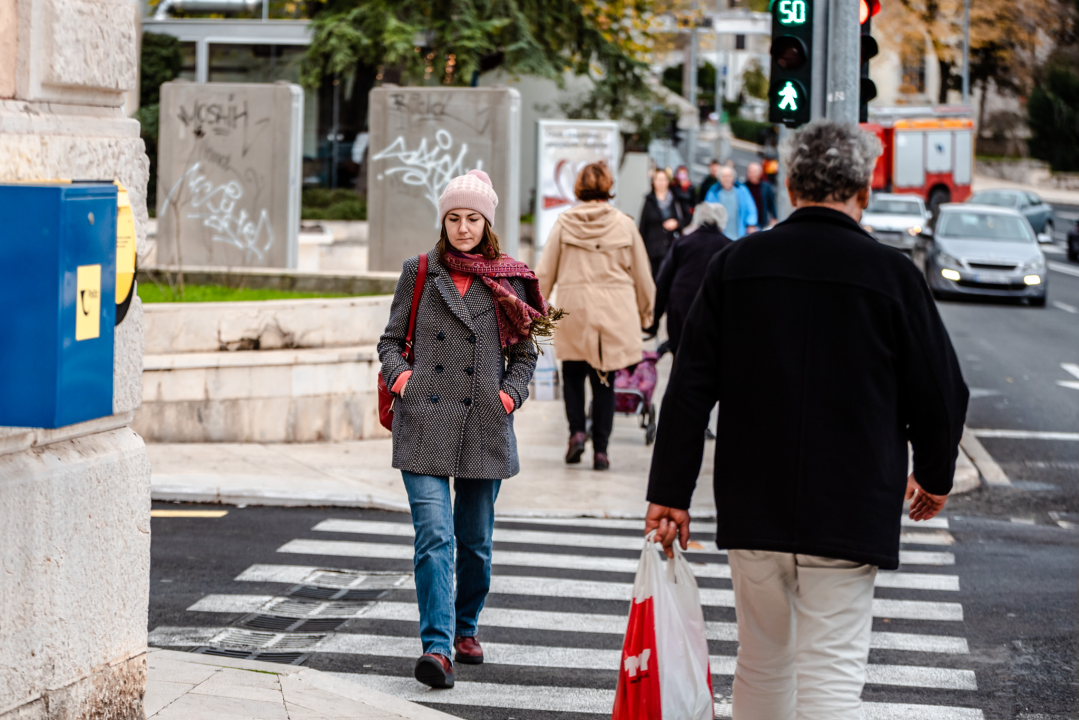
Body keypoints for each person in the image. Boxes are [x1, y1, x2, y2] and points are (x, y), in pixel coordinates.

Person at [644, 121, 969, 719]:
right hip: (850, 501)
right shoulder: (893, 277)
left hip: (754, 499)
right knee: (832, 674)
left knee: (762, 663)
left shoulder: (736, 266)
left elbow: (689, 388)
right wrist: (935, 473)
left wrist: (670, 492)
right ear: (863, 191)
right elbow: (942, 391)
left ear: (791, 186)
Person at [378, 169, 546, 690]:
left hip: (483, 421)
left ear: (487, 223)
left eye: (472, 218)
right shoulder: (420, 271)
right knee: (434, 536)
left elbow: (524, 354)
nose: (463, 227)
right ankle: (437, 647)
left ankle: (466, 626)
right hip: (423, 421)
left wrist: (508, 395)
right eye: (454, 218)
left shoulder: (509, 279)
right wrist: (402, 377)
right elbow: (388, 340)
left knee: (474, 541)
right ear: (443, 221)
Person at [537, 162, 655, 471]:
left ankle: (576, 432)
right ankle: (601, 451)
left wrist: (534, 309)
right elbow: (643, 276)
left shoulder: (564, 223)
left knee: (574, 377)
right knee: (605, 381)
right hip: (614, 313)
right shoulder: (624, 224)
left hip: (575, 311)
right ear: (608, 186)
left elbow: (545, 272)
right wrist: (647, 315)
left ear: (579, 187)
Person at [649, 202, 732, 354]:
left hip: (680, 310)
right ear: (722, 221)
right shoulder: (729, 247)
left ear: (697, 219)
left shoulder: (682, 243)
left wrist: (654, 321)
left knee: (681, 358)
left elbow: (663, 282)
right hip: (713, 313)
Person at [638, 168, 686, 277]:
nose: (660, 183)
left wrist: (677, 223)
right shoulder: (649, 201)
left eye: (663, 179)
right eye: (658, 179)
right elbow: (643, 225)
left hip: (670, 245)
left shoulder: (675, 199)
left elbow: (687, 218)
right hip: (653, 247)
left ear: (668, 182)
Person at [703, 165, 758, 239]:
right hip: (720, 233)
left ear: (733, 178)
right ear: (719, 178)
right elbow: (707, 211)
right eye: (724, 176)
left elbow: (751, 208)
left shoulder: (742, 191)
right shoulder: (714, 192)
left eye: (729, 176)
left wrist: (751, 223)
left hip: (739, 231)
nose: (727, 179)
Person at [744, 161, 778, 229]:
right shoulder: (743, 187)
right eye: (750, 172)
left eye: (754, 172)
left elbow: (771, 203)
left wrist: (774, 217)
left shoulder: (766, 187)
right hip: (747, 226)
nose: (752, 174)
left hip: (762, 222)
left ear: (760, 173)